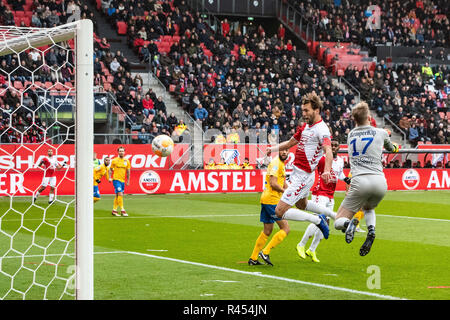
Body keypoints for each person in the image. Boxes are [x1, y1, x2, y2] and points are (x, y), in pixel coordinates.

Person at [266, 92, 337, 240]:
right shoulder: (306, 126)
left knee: (279, 212)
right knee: (302, 204)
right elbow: (291, 142)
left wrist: (327, 170)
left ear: (316, 110)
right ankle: (333, 215)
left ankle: (318, 220)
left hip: (303, 176)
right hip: (299, 174)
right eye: (302, 110)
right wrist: (272, 149)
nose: (303, 114)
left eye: (306, 111)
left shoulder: (321, 129)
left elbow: (328, 150)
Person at [334, 102, 398, 256]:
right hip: (380, 182)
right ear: (369, 117)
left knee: (337, 221)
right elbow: (392, 148)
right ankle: (371, 231)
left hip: (360, 181)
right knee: (369, 208)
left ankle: (349, 224)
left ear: (354, 120)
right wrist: (395, 146)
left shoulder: (350, 135)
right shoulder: (381, 132)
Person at [296, 140, 351, 262]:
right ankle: (301, 244)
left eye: (336, 145)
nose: (334, 147)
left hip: (331, 195)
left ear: (339, 147)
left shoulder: (340, 161)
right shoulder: (322, 159)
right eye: (332, 145)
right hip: (320, 193)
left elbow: (339, 173)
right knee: (318, 220)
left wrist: (346, 179)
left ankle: (312, 249)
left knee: (325, 224)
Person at [249, 149, 290, 266]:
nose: (284, 152)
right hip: (272, 200)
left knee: (267, 230)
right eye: (282, 150)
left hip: (267, 199)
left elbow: (283, 182)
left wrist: (290, 191)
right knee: (285, 228)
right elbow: (273, 183)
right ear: (278, 151)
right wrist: (285, 192)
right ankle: (265, 252)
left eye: (287, 150)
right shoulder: (276, 163)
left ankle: (253, 258)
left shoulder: (281, 164)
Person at [109, 146, 131, 216]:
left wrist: (128, 180)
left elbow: (128, 171)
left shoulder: (127, 161)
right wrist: (110, 177)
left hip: (122, 181)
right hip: (116, 180)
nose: (121, 152)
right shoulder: (114, 160)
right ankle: (122, 210)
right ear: (118, 152)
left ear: (124, 152)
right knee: (120, 194)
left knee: (117, 195)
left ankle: (114, 210)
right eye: (120, 151)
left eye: (122, 151)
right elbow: (110, 169)